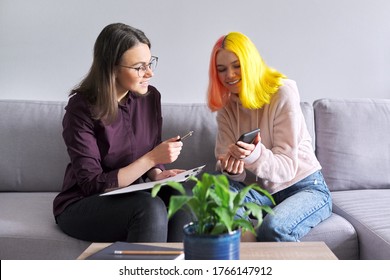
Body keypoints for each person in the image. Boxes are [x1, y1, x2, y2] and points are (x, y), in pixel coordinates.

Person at [53, 23, 189, 243]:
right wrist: (152, 158)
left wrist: (157, 173)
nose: (150, 73)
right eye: (139, 67)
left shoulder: (150, 97)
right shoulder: (81, 109)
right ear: (112, 68)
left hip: (131, 194)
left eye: (150, 63)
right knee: (149, 208)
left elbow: (150, 145)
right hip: (84, 201)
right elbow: (92, 184)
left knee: (182, 195)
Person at [206, 32, 332, 242]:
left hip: (304, 187)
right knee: (217, 187)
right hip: (262, 193)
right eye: (222, 69)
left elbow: (287, 168)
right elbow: (227, 168)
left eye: (236, 65)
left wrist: (254, 155)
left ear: (250, 62)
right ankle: (245, 263)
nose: (229, 75)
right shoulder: (226, 108)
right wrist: (231, 168)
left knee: (272, 229)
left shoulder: (282, 92)